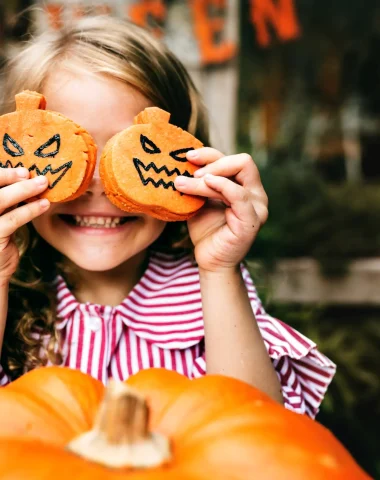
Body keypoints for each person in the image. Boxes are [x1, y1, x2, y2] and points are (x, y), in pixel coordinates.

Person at [0, 15, 335, 418]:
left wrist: (218, 270)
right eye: (72, 156)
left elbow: (256, 434)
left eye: (129, 155)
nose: (101, 186)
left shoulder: (212, 293)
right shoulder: (10, 288)